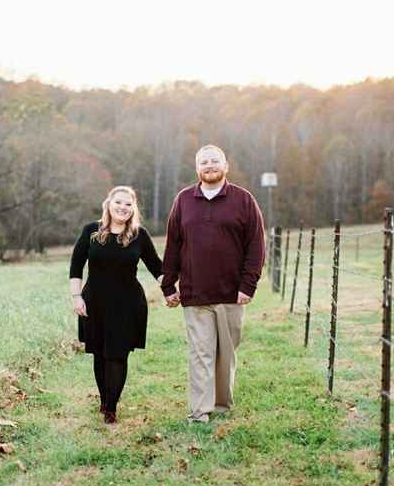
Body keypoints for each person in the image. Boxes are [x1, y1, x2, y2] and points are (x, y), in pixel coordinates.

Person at [161, 145, 266, 423]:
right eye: (204, 162)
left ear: (225, 166)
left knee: (225, 354)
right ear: (197, 168)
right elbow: (173, 244)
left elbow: (256, 246)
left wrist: (248, 285)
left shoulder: (244, 200)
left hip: (232, 293)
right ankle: (200, 412)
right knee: (200, 353)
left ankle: (221, 404)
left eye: (215, 161)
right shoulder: (183, 200)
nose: (210, 165)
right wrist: (168, 286)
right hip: (195, 293)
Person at [69, 186, 163, 424]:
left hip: (128, 304)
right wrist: (76, 297)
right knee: (99, 354)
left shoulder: (139, 235)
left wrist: (173, 289)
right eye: (118, 202)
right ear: (108, 204)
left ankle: (111, 408)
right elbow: (76, 266)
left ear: (133, 208)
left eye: (128, 204)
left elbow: (156, 268)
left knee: (118, 355)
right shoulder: (91, 231)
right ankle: (104, 399)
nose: (123, 207)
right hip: (95, 302)